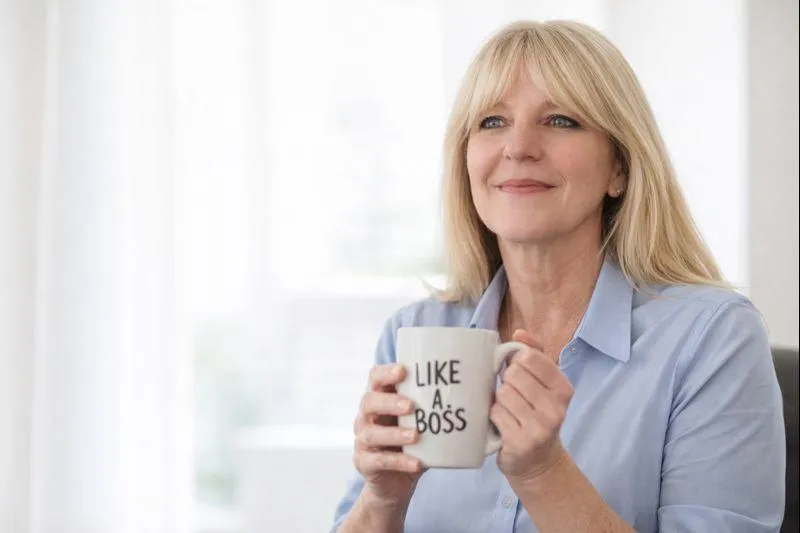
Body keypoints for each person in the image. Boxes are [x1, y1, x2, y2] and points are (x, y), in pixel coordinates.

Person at [330, 19, 785, 533]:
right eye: (492, 121)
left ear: (619, 168)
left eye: (562, 120)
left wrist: (545, 474)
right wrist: (382, 500)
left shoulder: (713, 338)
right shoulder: (412, 333)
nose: (519, 146)